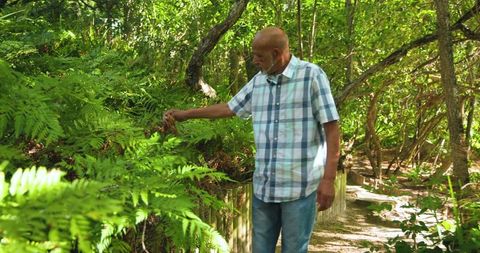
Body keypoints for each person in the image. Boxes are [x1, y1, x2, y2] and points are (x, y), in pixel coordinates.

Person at [163, 27, 340, 253]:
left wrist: (329, 179)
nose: (254, 61)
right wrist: (185, 114)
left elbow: (332, 129)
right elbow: (228, 108)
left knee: (294, 249)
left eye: (259, 56)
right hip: (264, 188)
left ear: (277, 54)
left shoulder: (312, 76)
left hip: (300, 188)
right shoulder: (258, 82)